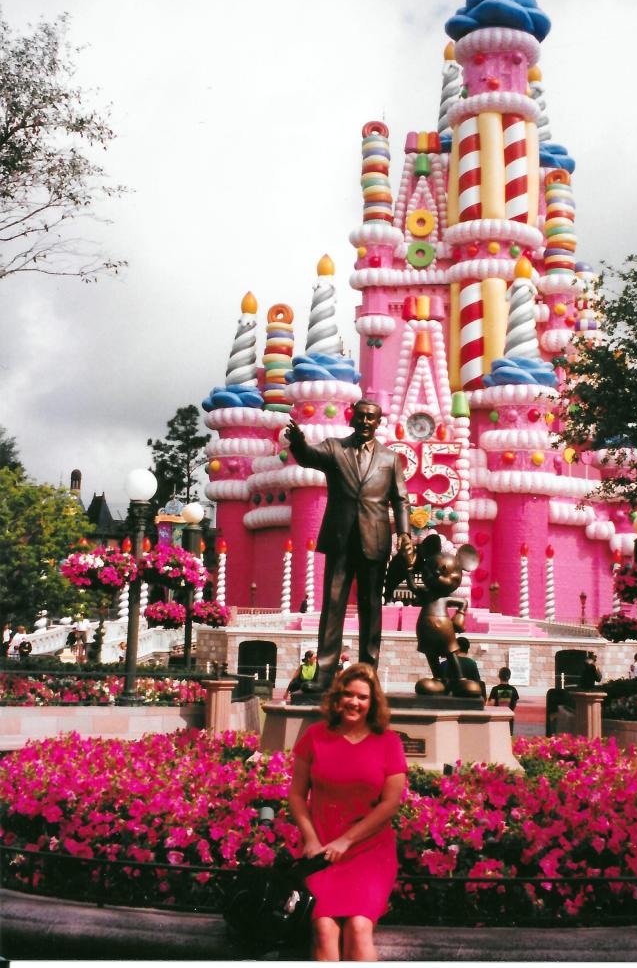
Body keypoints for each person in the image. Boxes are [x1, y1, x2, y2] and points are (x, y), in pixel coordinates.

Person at [286, 400, 412, 691]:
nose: (366, 421)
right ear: (352, 417)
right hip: (340, 539)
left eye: (372, 417)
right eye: (362, 416)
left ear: (378, 422)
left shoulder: (390, 459)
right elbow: (308, 457)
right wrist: (299, 442)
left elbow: (400, 500)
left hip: (375, 539)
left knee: (371, 607)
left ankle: (369, 673)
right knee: (332, 606)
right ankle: (324, 674)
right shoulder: (335, 448)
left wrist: (404, 534)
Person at [287, 662, 407, 961]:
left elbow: (390, 804)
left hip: (368, 851)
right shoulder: (315, 737)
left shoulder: (389, 742)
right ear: (337, 699)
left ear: (373, 702)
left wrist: (347, 841)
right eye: (348, 695)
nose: (355, 702)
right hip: (321, 851)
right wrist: (311, 840)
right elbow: (297, 796)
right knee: (325, 928)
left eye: (363, 697)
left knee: (358, 926)